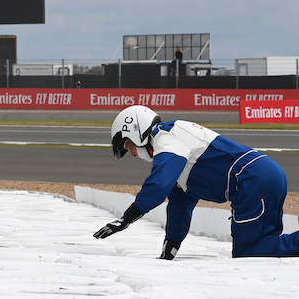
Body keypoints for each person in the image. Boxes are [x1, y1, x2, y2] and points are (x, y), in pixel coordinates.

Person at [95, 104, 299, 259]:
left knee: (251, 253)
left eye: (127, 145)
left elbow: (158, 185)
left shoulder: (166, 139)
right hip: (261, 175)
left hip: (252, 180)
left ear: (136, 132)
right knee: (261, 247)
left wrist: (125, 219)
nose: (131, 153)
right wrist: (170, 249)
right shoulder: (175, 146)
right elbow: (179, 204)